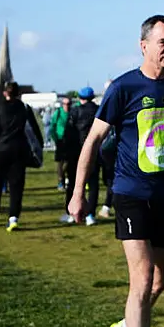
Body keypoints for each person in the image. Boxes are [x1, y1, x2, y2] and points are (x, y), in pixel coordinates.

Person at [67, 15, 164, 327]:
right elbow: (92, 141)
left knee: (158, 283)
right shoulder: (123, 88)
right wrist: (77, 194)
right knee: (143, 276)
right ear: (143, 45)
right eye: (163, 41)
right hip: (131, 193)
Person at [0, 81, 43, 231]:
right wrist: (38, 146)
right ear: (18, 93)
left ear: (5, 93)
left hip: (1, 149)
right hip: (19, 150)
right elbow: (35, 130)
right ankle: (13, 217)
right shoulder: (24, 108)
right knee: (16, 186)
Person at [68, 86, 101, 226]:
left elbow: (69, 131)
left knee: (73, 181)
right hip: (95, 149)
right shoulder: (98, 110)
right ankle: (90, 214)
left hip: (77, 149)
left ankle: (71, 211)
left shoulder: (75, 111)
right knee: (93, 184)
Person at [50, 97, 76, 192]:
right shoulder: (58, 113)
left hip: (70, 141)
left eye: (69, 104)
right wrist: (56, 139)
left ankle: (67, 180)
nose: (67, 106)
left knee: (69, 162)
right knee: (60, 163)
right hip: (60, 140)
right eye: (65, 104)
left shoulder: (73, 112)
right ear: (62, 104)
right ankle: (61, 181)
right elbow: (52, 126)